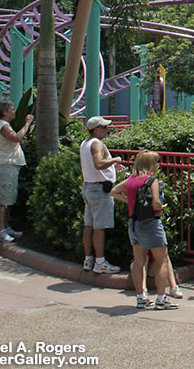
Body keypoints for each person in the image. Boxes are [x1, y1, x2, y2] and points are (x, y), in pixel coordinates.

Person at [111, 151, 177, 310]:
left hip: (134, 223)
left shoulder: (131, 180)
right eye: (156, 162)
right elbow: (155, 204)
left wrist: (128, 201)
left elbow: (113, 191)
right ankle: (161, 298)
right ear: (149, 164)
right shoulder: (151, 180)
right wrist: (162, 206)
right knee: (161, 260)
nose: (158, 165)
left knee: (139, 261)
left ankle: (141, 297)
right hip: (151, 223)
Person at [80, 116, 124, 274]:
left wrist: (111, 164)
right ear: (96, 129)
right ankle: (100, 262)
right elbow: (98, 164)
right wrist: (115, 160)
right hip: (99, 190)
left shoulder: (85, 143)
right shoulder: (97, 143)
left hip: (89, 187)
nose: (107, 130)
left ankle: (88, 259)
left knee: (89, 225)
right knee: (100, 227)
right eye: (104, 127)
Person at [0, 100, 32, 243]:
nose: (14, 112)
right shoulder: (3, 126)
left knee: (9, 199)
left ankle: (6, 227)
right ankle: (1, 231)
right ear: (5, 112)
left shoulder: (5, 126)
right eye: (12, 109)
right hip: (6, 166)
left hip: (11, 166)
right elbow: (16, 137)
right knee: (3, 200)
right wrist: (27, 123)